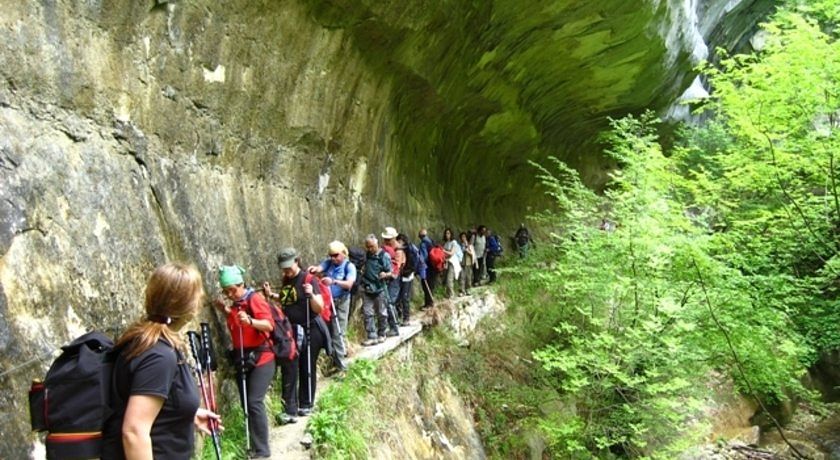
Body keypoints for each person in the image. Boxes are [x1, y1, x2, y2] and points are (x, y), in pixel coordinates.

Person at [102, 262, 221, 459]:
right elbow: (134, 432)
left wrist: (186, 414)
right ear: (188, 307)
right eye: (197, 297)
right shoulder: (159, 355)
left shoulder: (143, 340)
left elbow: (146, 401)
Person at [214, 265, 276, 457]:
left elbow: (268, 325)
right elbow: (235, 321)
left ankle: (262, 450)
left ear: (242, 284)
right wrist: (224, 310)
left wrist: (250, 321)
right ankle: (255, 445)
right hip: (242, 358)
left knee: (254, 401)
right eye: (226, 291)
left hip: (262, 358)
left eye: (232, 289)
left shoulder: (254, 299)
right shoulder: (235, 305)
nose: (230, 294)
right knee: (246, 404)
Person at [263, 248, 325, 417]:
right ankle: (290, 408)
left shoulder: (309, 279)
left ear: (297, 261)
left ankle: (306, 404)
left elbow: (319, 307)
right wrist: (271, 295)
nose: (286, 271)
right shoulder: (286, 280)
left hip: (311, 327)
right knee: (290, 366)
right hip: (293, 329)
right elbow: (288, 298)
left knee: (306, 366)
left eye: (289, 267)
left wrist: (311, 295)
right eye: (283, 268)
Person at [307, 240, 356, 372]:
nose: (333, 258)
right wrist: (314, 270)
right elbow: (320, 268)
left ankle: (342, 365)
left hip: (342, 302)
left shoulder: (349, 267)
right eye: (331, 256)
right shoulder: (329, 263)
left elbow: (349, 284)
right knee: (328, 331)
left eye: (336, 255)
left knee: (339, 331)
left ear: (343, 254)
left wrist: (333, 281)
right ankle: (336, 359)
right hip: (328, 303)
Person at [359, 234, 394, 346]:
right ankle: (371, 336)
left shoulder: (384, 256)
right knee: (367, 312)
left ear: (377, 244)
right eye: (368, 247)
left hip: (380, 288)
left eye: (372, 246)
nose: (370, 249)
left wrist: (385, 274)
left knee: (381, 312)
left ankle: (382, 333)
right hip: (367, 287)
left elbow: (391, 272)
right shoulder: (366, 256)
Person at [381, 227, 402, 335]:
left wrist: (387, 274)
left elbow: (396, 269)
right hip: (386, 278)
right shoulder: (385, 248)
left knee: (390, 302)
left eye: (388, 239)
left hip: (393, 279)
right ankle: (392, 325)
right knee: (386, 302)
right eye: (385, 239)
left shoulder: (398, 250)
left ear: (394, 238)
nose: (386, 241)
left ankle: (394, 327)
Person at [395, 233, 419, 323]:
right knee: (398, 297)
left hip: (407, 276)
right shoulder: (399, 250)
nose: (399, 243)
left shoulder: (409, 250)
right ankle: (399, 316)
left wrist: (405, 273)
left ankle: (406, 318)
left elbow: (411, 265)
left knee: (405, 297)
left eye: (400, 241)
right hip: (401, 275)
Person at [441, 228, 462, 299]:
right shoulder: (446, 243)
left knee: (449, 279)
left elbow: (451, 253)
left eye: (448, 233)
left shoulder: (454, 242)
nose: (447, 235)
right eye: (446, 233)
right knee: (446, 279)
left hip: (453, 262)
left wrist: (443, 251)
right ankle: (448, 294)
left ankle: (452, 295)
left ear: (451, 234)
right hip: (447, 262)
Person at [417, 228, 435, 309]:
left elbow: (423, 257)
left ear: (420, 236)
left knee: (426, 286)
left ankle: (428, 304)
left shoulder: (423, 244)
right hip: (433, 266)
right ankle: (430, 303)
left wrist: (420, 266)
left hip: (427, 267)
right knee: (431, 285)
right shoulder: (431, 241)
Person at [458, 231, 475, 296]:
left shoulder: (470, 245)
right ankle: (462, 291)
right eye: (462, 237)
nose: (463, 238)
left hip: (468, 263)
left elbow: (472, 254)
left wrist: (467, 249)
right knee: (462, 277)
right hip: (462, 263)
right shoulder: (459, 245)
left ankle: (468, 290)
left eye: (464, 237)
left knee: (468, 277)